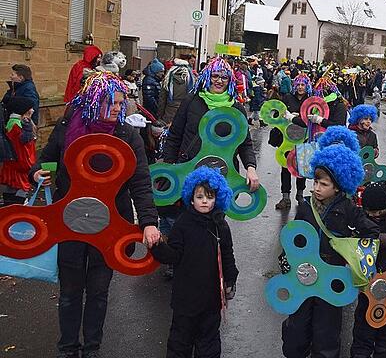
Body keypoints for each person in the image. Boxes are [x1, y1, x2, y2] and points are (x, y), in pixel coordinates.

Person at [30, 72, 161, 358]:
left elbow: (140, 182)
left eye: (119, 102)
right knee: (70, 293)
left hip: (111, 227)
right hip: (71, 224)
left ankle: (92, 349)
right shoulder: (68, 126)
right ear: (92, 102)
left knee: (99, 293)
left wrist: (149, 222)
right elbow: (46, 158)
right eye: (110, 102)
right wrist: (37, 172)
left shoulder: (128, 134)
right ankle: (67, 349)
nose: (117, 108)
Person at [280, 127, 379, 358]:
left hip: (331, 278)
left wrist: (351, 250)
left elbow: (371, 233)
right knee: (297, 326)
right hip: (302, 275)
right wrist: (286, 262)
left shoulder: (348, 209)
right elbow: (292, 236)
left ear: (338, 186)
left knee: (327, 330)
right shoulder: (305, 206)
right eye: (315, 182)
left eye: (323, 184)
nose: (316, 188)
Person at [162, 58, 260, 234]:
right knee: (186, 223)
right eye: (215, 75)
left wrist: (251, 168)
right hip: (189, 171)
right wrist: (171, 167)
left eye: (224, 77)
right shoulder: (191, 101)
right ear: (207, 77)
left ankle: (209, 259)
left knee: (213, 226)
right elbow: (174, 136)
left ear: (230, 80)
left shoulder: (236, 108)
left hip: (221, 175)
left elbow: (245, 143)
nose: (219, 80)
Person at [151, 167, 237, 357]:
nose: (205, 201)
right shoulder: (183, 224)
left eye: (209, 196)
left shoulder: (220, 225)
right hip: (185, 298)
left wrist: (230, 280)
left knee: (209, 341)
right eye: (199, 197)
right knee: (180, 341)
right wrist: (156, 245)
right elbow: (172, 255)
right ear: (191, 198)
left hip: (211, 298)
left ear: (217, 198)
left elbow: (227, 255)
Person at [350, 182, 386, 358]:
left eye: (377, 213)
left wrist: (374, 238)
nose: (373, 216)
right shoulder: (361, 211)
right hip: (367, 271)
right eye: (370, 213)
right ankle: (361, 348)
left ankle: (384, 346)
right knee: (364, 312)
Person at [274, 74, 312, 210]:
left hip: (303, 138)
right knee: (285, 167)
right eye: (298, 85)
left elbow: (311, 119)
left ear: (307, 86)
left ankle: (300, 195)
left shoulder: (310, 100)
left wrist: (298, 117)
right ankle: (285, 197)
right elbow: (280, 115)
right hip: (287, 138)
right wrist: (287, 116)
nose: (300, 87)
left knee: (302, 167)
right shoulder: (288, 97)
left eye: (303, 85)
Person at [0, 97, 36, 206]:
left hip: (14, 167)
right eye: (31, 108)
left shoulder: (15, 123)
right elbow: (21, 150)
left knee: (11, 191)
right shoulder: (17, 126)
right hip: (18, 167)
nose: (33, 110)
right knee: (17, 195)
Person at [157, 58, 195, 125]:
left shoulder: (167, 79)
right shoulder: (191, 79)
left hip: (169, 113)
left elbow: (162, 99)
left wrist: (160, 115)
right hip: (185, 112)